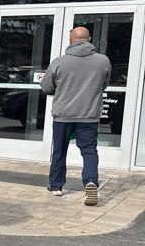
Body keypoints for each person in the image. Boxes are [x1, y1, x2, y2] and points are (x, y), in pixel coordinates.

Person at [39, 26, 111, 206]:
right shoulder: (103, 61)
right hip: (89, 115)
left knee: (59, 150)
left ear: (71, 40)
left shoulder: (59, 62)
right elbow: (104, 85)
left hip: (63, 114)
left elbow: (47, 87)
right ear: (90, 39)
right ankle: (91, 181)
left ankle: (56, 186)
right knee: (89, 151)